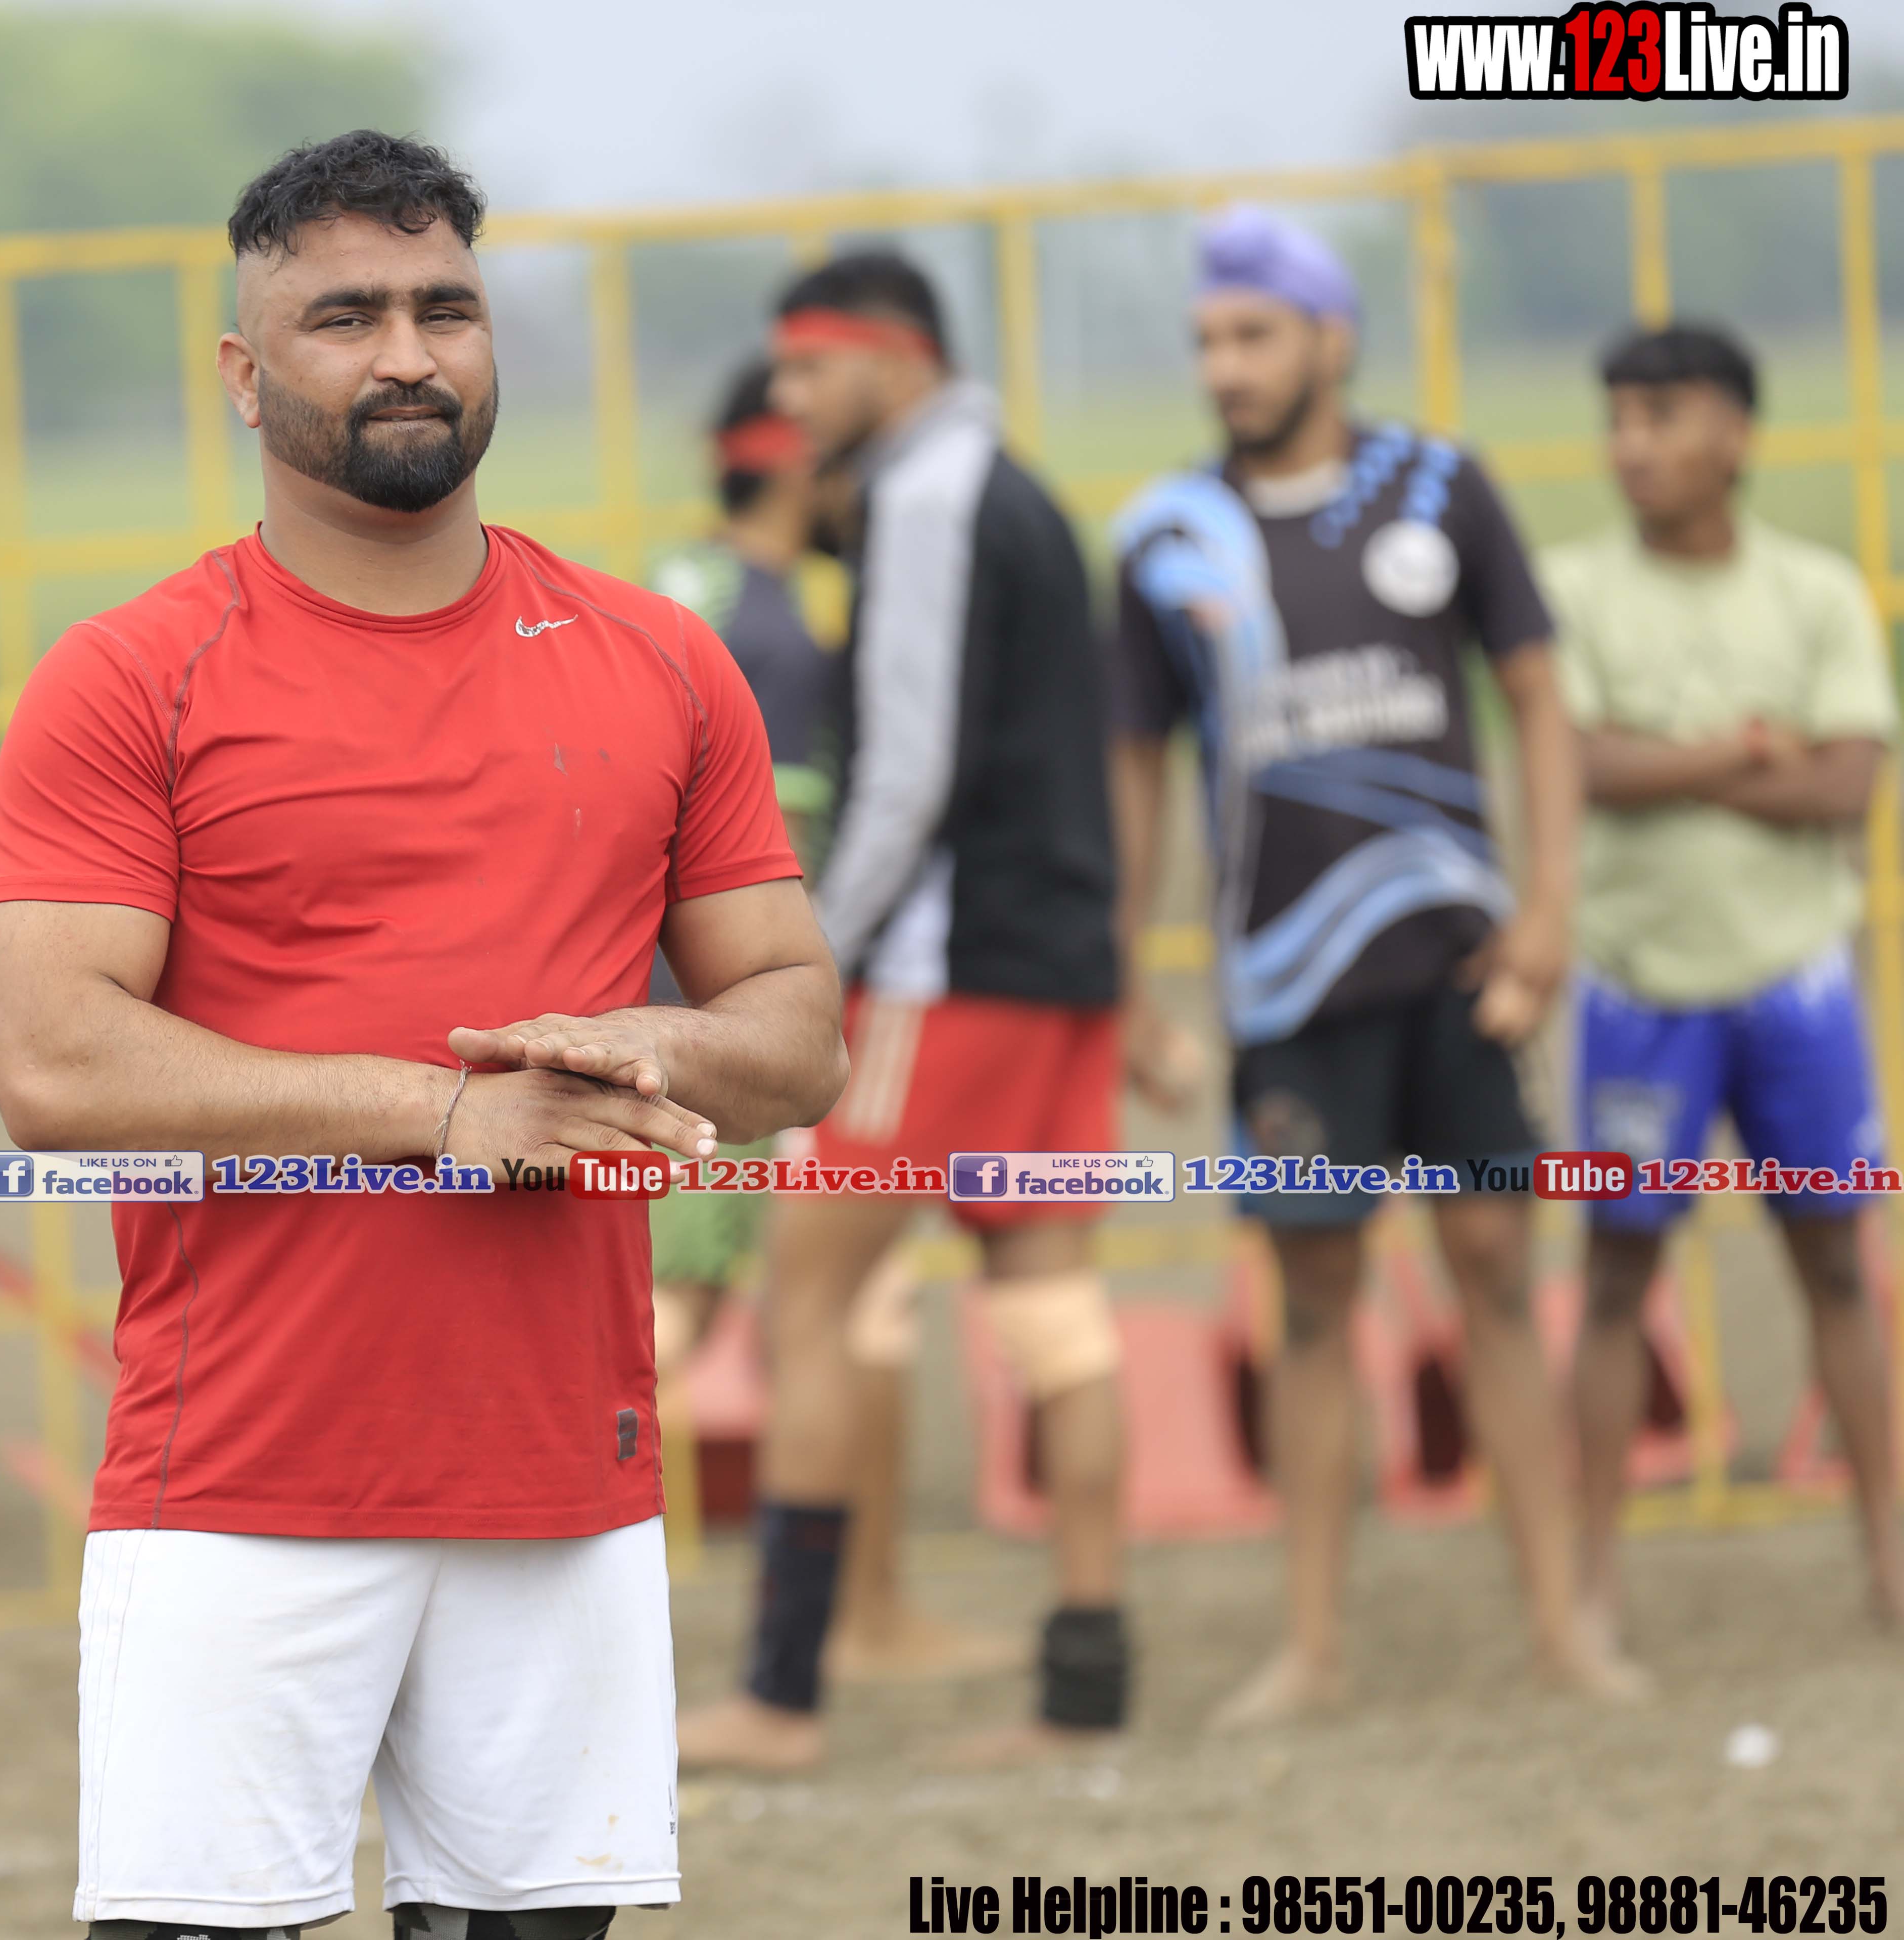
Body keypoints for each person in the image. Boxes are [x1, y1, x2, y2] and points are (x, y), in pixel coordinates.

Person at [0, 132, 844, 1940]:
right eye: (345, 316)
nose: (406, 355)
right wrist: (442, 1112)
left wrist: (639, 1052)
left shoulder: (660, 660)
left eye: (446, 309)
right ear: (244, 374)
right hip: (238, 1477)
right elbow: (52, 1062)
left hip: (564, 1477)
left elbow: (799, 1032)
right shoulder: (132, 676)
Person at [1112, 208, 1635, 1726]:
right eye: (1209, 340)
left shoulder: (1442, 488)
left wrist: (1549, 909)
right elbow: (1133, 768)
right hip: (1287, 996)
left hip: (1466, 974)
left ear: (1331, 341)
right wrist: (1129, 976)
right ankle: (1313, 1648)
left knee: (1496, 1278)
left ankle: (1562, 1628)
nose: (1227, 365)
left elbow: (1537, 698)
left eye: (1255, 334)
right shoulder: (1163, 539)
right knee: (1313, 1302)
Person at [675, 250, 1130, 1774]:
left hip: (943, 977)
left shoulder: (928, 501)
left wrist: (813, 960)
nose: (789, 399)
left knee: (807, 1304)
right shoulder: (1024, 493)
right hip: (1060, 974)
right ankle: (1085, 1690)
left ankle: (781, 1697)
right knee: (1056, 1318)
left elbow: (908, 773)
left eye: (809, 368)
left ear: (892, 356)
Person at [1545, 321, 1901, 1637]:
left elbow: (1848, 785)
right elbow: (1581, 764)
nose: (1633, 446)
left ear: (1738, 433)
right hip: (1636, 994)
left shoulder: (1815, 593)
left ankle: (1889, 1559)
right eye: (1619, 420)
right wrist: (1751, 751)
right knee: (1615, 1277)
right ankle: (1588, 1584)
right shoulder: (1571, 591)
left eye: (1663, 417)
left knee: (1838, 1266)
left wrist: (1666, 759)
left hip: (1796, 990)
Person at [646, 366, 982, 1686]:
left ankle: (867, 1614)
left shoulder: (729, 593)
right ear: (795, 461)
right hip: (750, 1025)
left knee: (809, 1309)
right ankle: (863, 1615)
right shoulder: (767, 600)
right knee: (732, 1314)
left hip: (731, 1022)